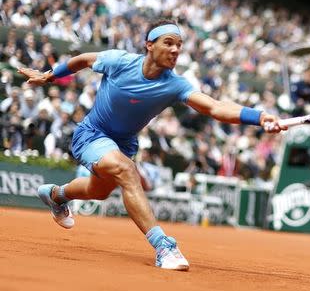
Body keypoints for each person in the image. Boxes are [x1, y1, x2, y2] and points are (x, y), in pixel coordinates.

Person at [17, 18, 286, 271]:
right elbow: (84, 59)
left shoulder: (176, 85)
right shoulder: (118, 61)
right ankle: (164, 247)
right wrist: (50, 76)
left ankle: (55, 195)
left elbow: (215, 107)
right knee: (126, 171)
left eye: (179, 45)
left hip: (124, 143)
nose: (175, 50)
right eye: (168, 42)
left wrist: (259, 117)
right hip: (92, 133)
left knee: (97, 191)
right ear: (149, 44)